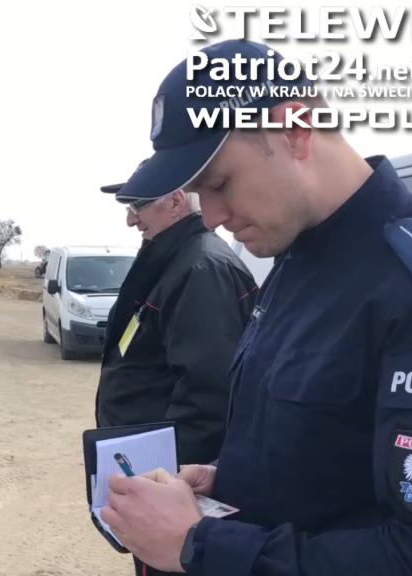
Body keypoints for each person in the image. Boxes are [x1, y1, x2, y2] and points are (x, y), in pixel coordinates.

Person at [101, 39, 412, 575]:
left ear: (296, 129)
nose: (210, 217)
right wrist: (228, 480)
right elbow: (331, 466)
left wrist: (200, 545)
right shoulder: (296, 263)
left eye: (219, 184)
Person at [96, 177, 256, 576]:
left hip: (172, 485)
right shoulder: (174, 259)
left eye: (137, 206)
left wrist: (170, 490)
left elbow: (209, 395)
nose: (131, 220)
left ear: (175, 201)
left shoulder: (202, 269)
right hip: (151, 476)